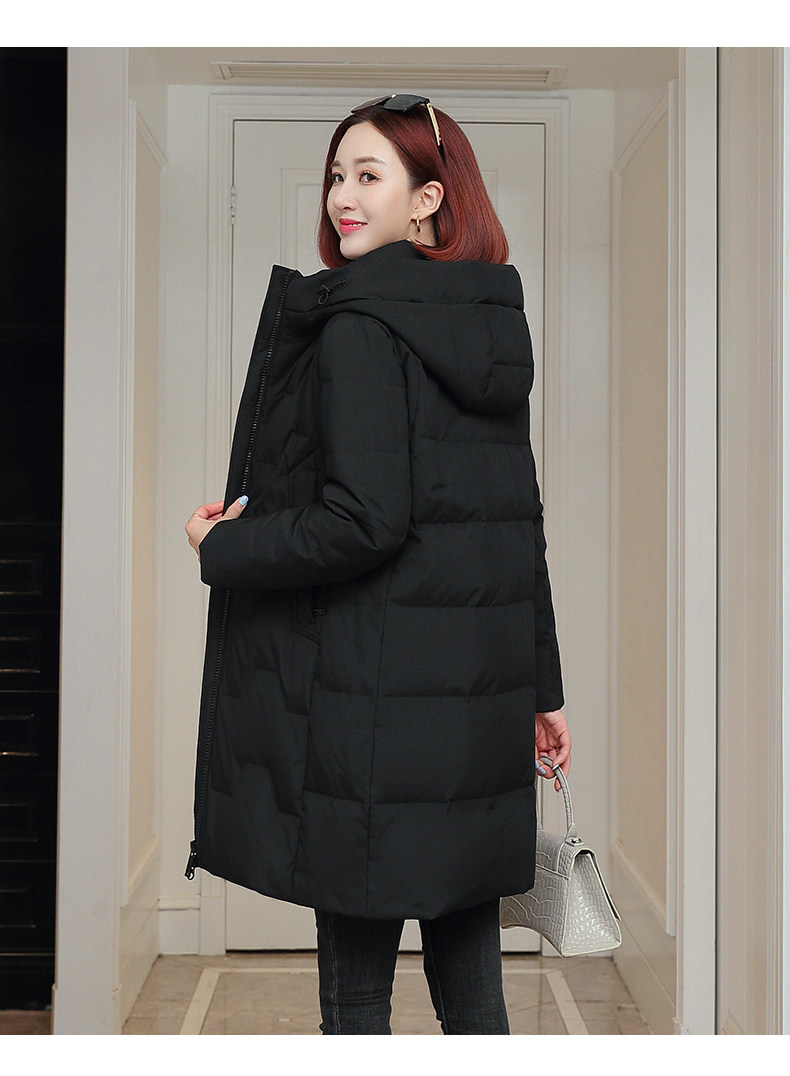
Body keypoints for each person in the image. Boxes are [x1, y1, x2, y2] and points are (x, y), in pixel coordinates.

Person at [185, 94, 570, 1036]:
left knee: (357, 1001)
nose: (341, 198)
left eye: (368, 176)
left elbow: (362, 524)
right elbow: (516, 525)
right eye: (336, 175)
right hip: (473, 710)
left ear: (429, 198)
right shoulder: (487, 324)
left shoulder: (359, 325)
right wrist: (541, 689)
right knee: (473, 994)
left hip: (371, 715)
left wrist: (220, 545)